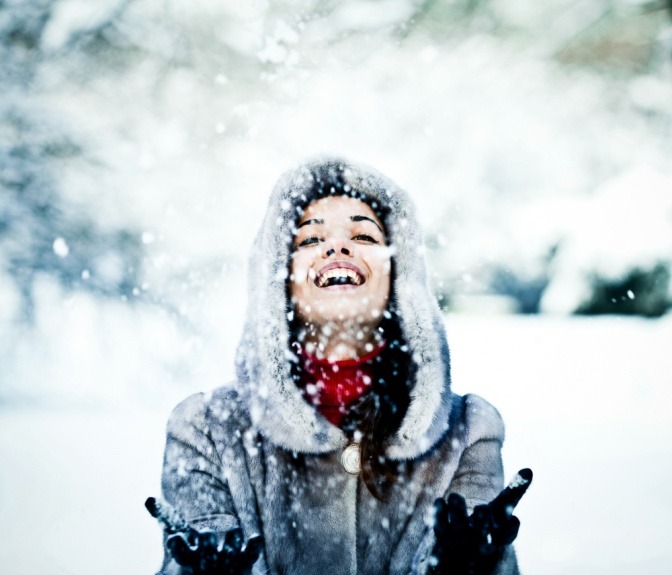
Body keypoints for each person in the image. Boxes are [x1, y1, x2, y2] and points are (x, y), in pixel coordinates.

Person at [147, 157, 532, 575]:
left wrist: (466, 567)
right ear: (280, 282)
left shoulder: (469, 431)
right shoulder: (205, 428)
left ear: (399, 274)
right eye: (310, 240)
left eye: (363, 234)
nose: (337, 247)